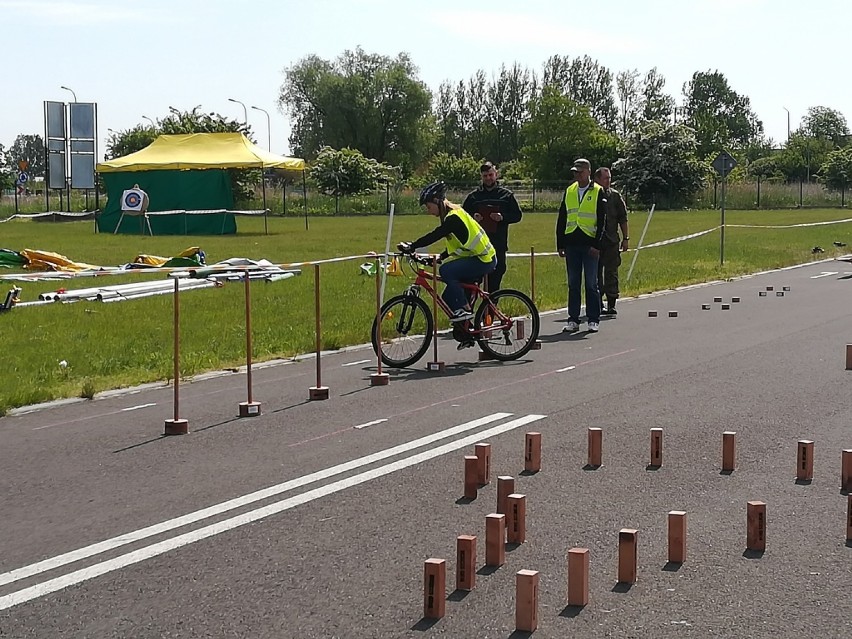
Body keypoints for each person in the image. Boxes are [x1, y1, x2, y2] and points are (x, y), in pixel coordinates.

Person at [398, 181, 497, 328]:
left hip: (484, 259)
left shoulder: (453, 217)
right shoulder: (451, 215)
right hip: (475, 257)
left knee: (446, 270)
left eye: (428, 206)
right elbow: (457, 244)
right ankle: (466, 331)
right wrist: (441, 257)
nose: (428, 210)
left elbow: (435, 235)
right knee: (448, 297)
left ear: (437, 201)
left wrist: (412, 246)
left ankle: (465, 309)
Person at [555, 158, 607, 333]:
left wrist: (597, 245)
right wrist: (560, 243)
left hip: (590, 244)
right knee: (573, 283)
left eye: (580, 172)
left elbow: (602, 220)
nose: (577, 175)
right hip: (572, 243)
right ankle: (573, 319)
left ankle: (593, 318)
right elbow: (563, 217)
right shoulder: (570, 190)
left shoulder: (599, 191)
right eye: (575, 172)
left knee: (591, 283)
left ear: (588, 172)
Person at [461, 161, 523, 293]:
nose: (488, 178)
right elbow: (462, 216)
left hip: (498, 246)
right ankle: (469, 312)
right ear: (481, 177)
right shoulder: (473, 197)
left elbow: (517, 215)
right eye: (485, 176)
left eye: (490, 175)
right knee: (471, 285)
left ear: (496, 174)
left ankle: (490, 313)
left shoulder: (506, 195)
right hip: (476, 247)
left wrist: (502, 217)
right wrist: (473, 216)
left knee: (494, 286)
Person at [594, 167, 629, 315]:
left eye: (609, 178)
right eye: (605, 178)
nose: (608, 181)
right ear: (597, 180)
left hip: (611, 241)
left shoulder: (615, 196)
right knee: (595, 274)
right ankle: (597, 302)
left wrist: (626, 238)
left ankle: (611, 303)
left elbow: (623, 218)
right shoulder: (592, 195)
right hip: (595, 241)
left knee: (612, 273)